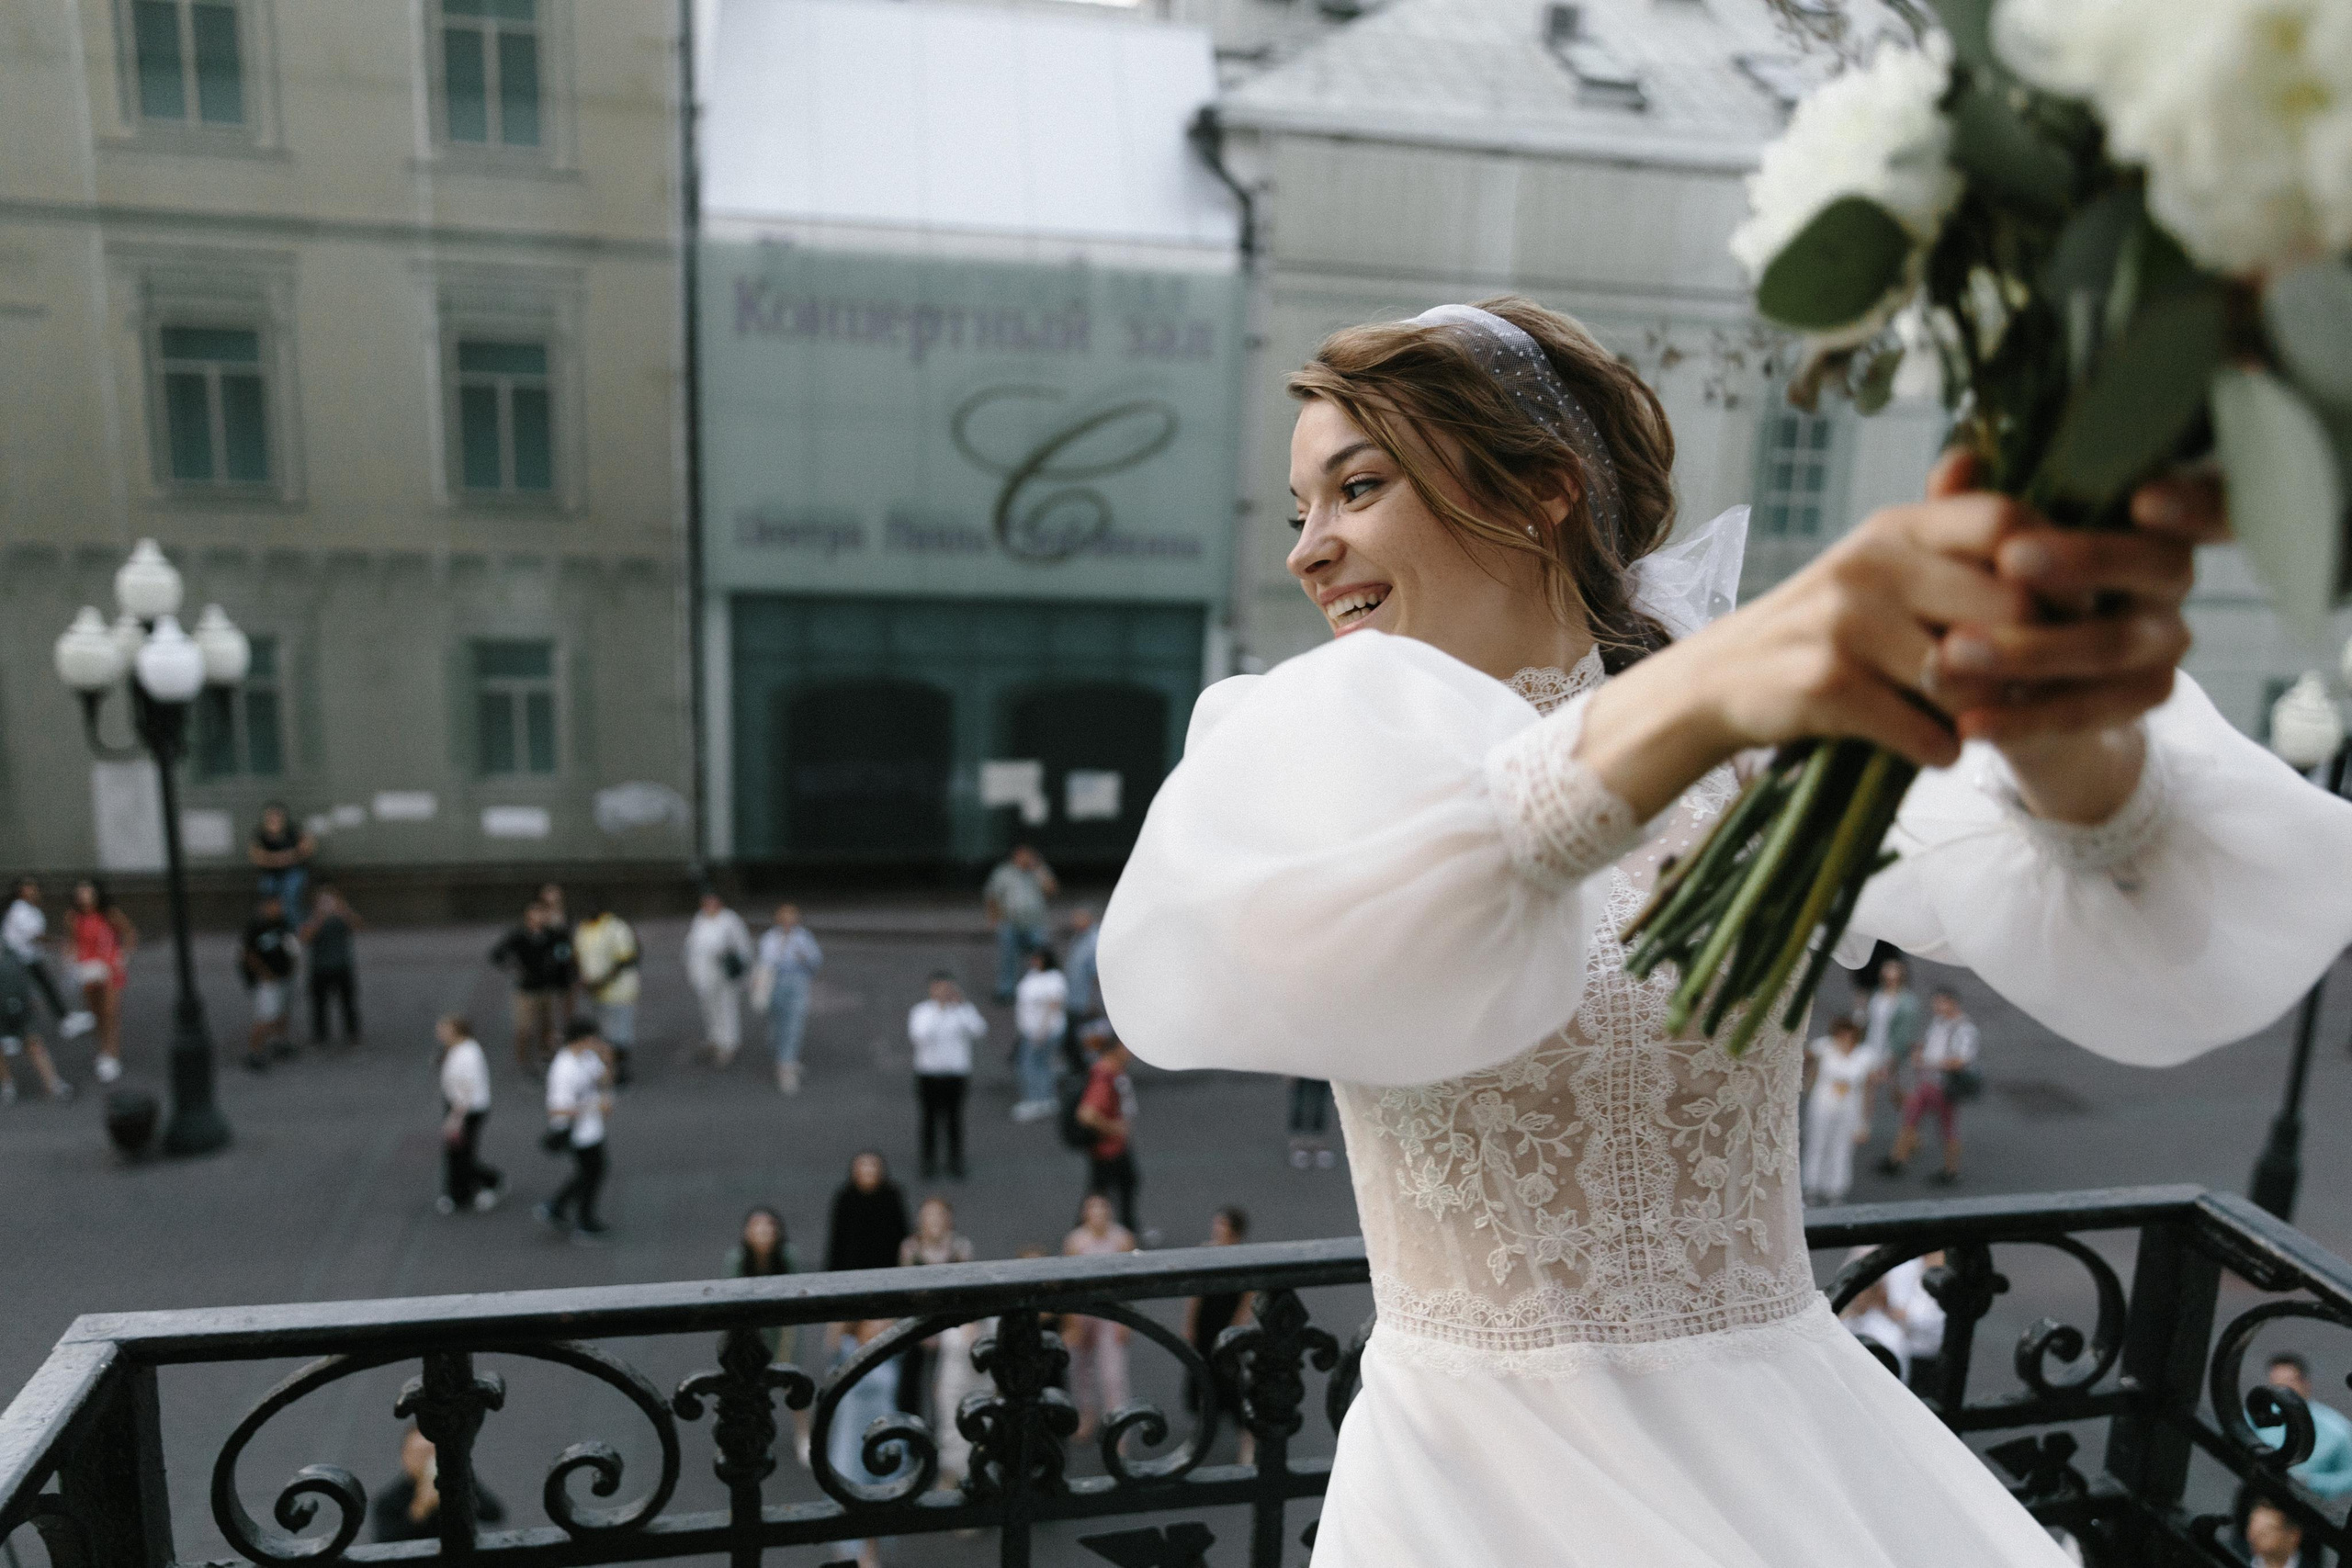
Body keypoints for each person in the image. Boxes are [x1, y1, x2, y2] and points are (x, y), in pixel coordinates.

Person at [1096, 296, 2352, 1565]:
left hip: (1786, 1452)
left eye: (1356, 487)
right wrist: (1699, 696)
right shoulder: (1312, 734)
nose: (1312, 547)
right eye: (1304, 504)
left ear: (1543, 493)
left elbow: (2120, 899)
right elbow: (1208, 960)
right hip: (1476, 1486)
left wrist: (2044, 708)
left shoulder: (1762, 753)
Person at [1881, 987, 1981, 1184]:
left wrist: (1928, 1062)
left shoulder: (1965, 1029)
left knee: (1947, 1127)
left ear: (1953, 1003)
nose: (1937, 1007)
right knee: (1910, 1116)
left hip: (1945, 1085)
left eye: (1941, 1002)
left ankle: (1951, 1169)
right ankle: (1897, 1158)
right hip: (1927, 1082)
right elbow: (1931, 1046)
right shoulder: (1939, 1022)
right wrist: (1921, 1053)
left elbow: (1962, 1061)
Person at [1062, 1191, 1137, 1443]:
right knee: (1081, 1368)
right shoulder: (1076, 1240)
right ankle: (1087, 1414)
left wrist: (1125, 1319)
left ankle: (1120, 1425)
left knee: (1112, 1370)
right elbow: (1069, 1283)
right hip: (1084, 1309)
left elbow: (1129, 1283)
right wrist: (1071, 1322)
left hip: (1111, 1310)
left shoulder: (1122, 1238)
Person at [824, 1320, 897, 1568]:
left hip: (882, 1441)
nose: (879, 1328)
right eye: (872, 1324)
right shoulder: (848, 1355)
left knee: (879, 1502)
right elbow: (834, 1342)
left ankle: (869, 1556)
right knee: (849, 1505)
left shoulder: (887, 1356)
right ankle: (849, 1557)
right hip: (853, 1445)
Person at [898, 1197, 976, 1419]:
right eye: (928, 1215)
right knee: (916, 1379)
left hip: (950, 1320)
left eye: (939, 1215)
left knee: (950, 1379)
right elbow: (906, 1288)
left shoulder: (959, 1247)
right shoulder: (911, 1248)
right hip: (919, 1318)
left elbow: (967, 1287)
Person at [368, 1424, 505, 1544]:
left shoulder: (458, 1481)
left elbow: (494, 1514)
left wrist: (461, 1493)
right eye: (420, 1454)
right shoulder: (389, 1500)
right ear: (405, 1457)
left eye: (432, 1452)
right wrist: (420, 1510)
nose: (428, 1459)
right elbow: (385, 1544)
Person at [536, 1020, 612, 1238]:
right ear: (585, 1039)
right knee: (593, 1171)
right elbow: (558, 1110)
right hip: (577, 1131)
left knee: (590, 1172)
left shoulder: (587, 1057)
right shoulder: (564, 1069)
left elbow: (603, 1079)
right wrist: (594, 1105)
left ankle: (557, 1207)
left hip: (590, 1127)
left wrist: (608, 1061)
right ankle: (584, 1221)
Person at [1183, 1206, 1256, 1433]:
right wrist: (1189, 1325)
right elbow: (1195, 1295)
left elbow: (1247, 1298)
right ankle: (1206, 1418)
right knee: (1203, 1368)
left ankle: (1240, 1427)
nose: (1216, 1228)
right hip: (1207, 1322)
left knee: (1231, 1375)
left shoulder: (1243, 1259)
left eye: (1222, 1224)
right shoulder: (1205, 1252)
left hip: (1227, 1321)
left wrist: (1238, 1325)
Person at [907, 972, 984, 1179]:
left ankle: (955, 1160)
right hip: (929, 1073)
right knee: (929, 1119)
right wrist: (939, 1011)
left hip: (956, 1073)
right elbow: (920, 1036)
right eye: (938, 987)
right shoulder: (921, 1011)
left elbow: (978, 1030)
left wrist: (960, 1008)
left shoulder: (963, 1010)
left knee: (954, 1119)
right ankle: (928, 1161)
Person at [6, 879, 93, 1043]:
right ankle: (11, 1034)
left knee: (45, 988)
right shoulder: (20, 910)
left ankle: (65, 1019)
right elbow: (36, 936)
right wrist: (59, 943)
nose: (32, 890)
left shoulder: (30, 909)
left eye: (33, 887)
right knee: (18, 995)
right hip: (17, 959)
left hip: (27, 957)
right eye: (27, 887)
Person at [2254, 1353, 2352, 1499]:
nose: (2282, 1390)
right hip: (2263, 1497)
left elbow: (2349, 1475)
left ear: (2305, 1383)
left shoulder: (2335, 1429)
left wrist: (2310, 1482)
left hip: (2311, 1505)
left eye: (2289, 1382)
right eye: (2276, 1384)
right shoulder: (2256, 1417)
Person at [489, 902, 571, 1076]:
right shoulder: (519, 936)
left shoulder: (552, 935)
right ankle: (523, 1059)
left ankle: (544, 1053)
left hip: (546, 987)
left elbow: (564, 950)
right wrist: (513, 967)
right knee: (524, 1027)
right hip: (526, 989)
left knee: (546, 1024)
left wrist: (557, 966)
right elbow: (497, 954)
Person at [66, 880, 135, 1083]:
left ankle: (112, 1055)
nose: (84, 894)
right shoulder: (73, 917)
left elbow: (129, 932)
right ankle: (103, 1051)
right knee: (96, 1013)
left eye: (87, 890)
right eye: (80, 891)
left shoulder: (109, 914)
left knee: (110, 1012)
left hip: (109, 968)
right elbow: (72, 942)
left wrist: (124, 956)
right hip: (87, 969)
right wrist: (70, 960)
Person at [1802, 1016, 1872, 1205]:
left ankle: (1835, 1189)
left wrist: (1864, 1122)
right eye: (1841, 1033)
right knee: (1817, 1143)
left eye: (1849, 1033)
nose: (1845, 1037)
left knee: (1842, 1147)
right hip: (1822, 1103)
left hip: (1849, 1107)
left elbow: (1868, 1089)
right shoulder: (1824, 1047)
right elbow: (1803, 1057)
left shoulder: (1864, 1055)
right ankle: (1811, 1186)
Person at [435, 1015, 502, 1215]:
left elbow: (466, 1089)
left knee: (460, 1152)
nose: (439, 1033)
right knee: (458, 1152)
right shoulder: (460, 1049)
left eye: (444, 1029)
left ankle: (485, 1183)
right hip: (461, 1107)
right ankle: (461, 1192)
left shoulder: (467, 1054)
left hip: (467, 1110)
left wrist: (455, 1119)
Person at [1076, 1033, 1141, 1234]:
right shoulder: (1104, 1076)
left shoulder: (1111, 1070)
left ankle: (1125, 1227)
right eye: (1126, 1047)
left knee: (1125, 1183)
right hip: (1108, 1148)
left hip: (1112, 1146)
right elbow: (1087, 1114)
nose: (1131, 1052)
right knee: (1102, 1192)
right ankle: (1086, 1233)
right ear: (1116, 1049)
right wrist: (1114, 1128)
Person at [571, 899, 640, 1087]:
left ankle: (622, 1072)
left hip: (618, 991)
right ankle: (608, 1070)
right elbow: (578, 956)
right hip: (596, 992)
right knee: (604, 1033)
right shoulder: (583, 929)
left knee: (620, 1033)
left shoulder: (616, 927)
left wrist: (601, 981)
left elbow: (625, 959)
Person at [755, 903, 822, 1095]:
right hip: (776, 982)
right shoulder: (770, 937)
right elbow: (766, 961)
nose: (788, 925)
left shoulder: (803, 937)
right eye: (784, 921)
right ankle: (782, 1057)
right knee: (776, 1023)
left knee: (794, 1022)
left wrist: (804, 957)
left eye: (791, 921)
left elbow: (816, 960)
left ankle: (786, 1063)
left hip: (797, 980)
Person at [684, 890, 754, 1066]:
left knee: (726, 1008)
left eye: (712, 903)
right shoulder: (700, 919)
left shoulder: (730, 920)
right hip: (703, 974)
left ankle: (729, 1043)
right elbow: (691, 945)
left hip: (724, 974)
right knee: (709, 1007)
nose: (708, 907)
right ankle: (714, 1037)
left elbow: (743, 946)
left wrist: (737, 965)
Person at [0, 942, 73, 1104]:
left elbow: (24, 976)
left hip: (20, 1004)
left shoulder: (11, 951)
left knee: (34, 1042)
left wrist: (29, 999)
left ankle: (53, 1083)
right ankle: (6, 1085)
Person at [983, 844, 1057, 1003]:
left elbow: (1052, 890)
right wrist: (994, 919)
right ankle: (1006, 990)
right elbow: (992, 895)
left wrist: (1038, 869)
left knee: (1040, 954)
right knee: (1008, 957)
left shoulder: (1039, 871)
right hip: (1010, 922)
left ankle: (1039, 989)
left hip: (1034, 923)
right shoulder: (1004, 872)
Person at [1860, 957, 1926, 1135]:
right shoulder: (1878, 994)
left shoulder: (1907, 1002)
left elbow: (1904, 1033)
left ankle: (1911, 1127)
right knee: (1868, 1084)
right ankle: (1864, 1123)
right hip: (1872, 1045)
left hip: (1892, 1051)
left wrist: (1892, 1058)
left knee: (1897, 1093)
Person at [238, 894, 299, 1070]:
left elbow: (291, 945)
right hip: (267, 980)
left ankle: (280, 1043)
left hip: (283, 976)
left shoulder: (283, 923)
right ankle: (254, 1052)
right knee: (265, 1016)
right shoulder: (256, 926)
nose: (279, 908)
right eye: (275, 905)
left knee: (282, 1012)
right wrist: (263, 973)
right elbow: (248, 954)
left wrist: (291, 968)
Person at [826, 1150, 912, 1273]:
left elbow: (901, 1231)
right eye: (863, 1166)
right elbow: (838, 1240)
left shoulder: (891, 1196)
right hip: (852, 1267)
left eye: (872, 1165)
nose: (868, 1170)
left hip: (888, 1265)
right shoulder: (846, 1198)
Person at [300, 884, 363, 1045]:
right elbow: (305, 937)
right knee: (319, 1004)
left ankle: (352, 1032)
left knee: (348, 1002)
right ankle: (320, 1034)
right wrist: (319, 918)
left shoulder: (341, 916)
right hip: (320, 968)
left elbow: (358, 926)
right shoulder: (312, 917)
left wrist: (344, 912)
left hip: (342, 966)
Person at [1011, 946, 1067, 1122]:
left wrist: (1042, 1030)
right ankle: (1045, 1098)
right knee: (1042, 1064)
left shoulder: (1054, 978)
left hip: (1043, 1031)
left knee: (1028, 1065)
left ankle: (1034, 1099)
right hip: (1031, 1030)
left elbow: (1054, 1005)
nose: (1033, 961)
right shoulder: (1032, 976)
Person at [1883, 1252, 1950, 1393]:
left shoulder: (1940, 1285)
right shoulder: (1918, 1276)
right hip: (1912, 1350)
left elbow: (1932, 1320)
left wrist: (1905, 1317)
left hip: (1931, 1355)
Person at [247, 802, 315, 919]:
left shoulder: (293, 831)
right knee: (267, 893)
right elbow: (256, 856)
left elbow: (307, 848)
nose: (274, 820)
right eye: (270, 817)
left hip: (294, 872)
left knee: (290, 896)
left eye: (277, 816)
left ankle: (296, 928)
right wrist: (279, 858)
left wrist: (287, 857)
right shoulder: (261, 834)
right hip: (270, 874)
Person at [1063, 907, 1102, 1032]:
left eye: (1078, 919)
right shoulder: (1078, 937)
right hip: (1074, 999)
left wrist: (1094, 1002)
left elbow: (1097, 976)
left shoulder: (1094, 941)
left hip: (1086, 1003)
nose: (1074, 922)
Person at [1287, 1077, 1335, 1169]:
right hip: (1302, 1067)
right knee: (1300, 1099)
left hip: (1323, 1068)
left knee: (1320, 1100)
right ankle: (1298, 1144)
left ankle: (1318, 1143)